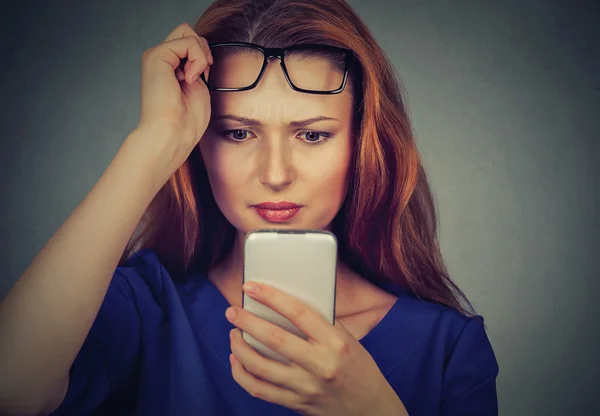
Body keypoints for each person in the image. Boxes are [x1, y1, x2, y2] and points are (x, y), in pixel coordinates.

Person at [0, 0, 499, 414]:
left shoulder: (448, 348)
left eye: (312, 134)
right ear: (202, 142)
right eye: (238, 133)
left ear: (363, 144)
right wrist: (153, 141)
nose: (275, 174)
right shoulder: (146, 306)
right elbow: (11, 391)